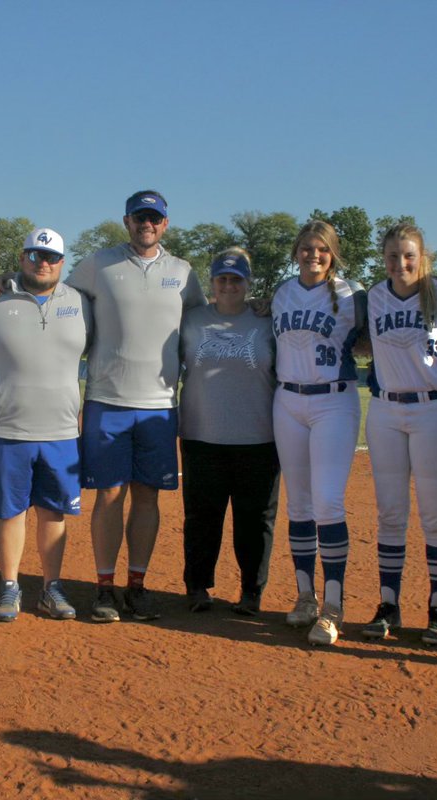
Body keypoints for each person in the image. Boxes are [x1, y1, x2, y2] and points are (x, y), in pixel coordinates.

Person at [66, 190, 206, 622]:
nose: (147, 224)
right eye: (139, 217)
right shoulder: (98, 264)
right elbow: (59, 299)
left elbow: (206, 321)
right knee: (108, 496)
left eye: (154, 218)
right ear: (126, 221)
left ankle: (137, 586)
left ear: (165, 224)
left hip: (160, 406)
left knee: (147, 498)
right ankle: (104, 588)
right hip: (108, 401)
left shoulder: (183, 273)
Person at [0, 227, 90, 622]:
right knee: (10, 512)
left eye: (50, 257)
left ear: (62, 263)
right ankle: (9, 585)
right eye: (35, 255)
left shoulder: (81, 303)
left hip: (63, 431)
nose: (42, 263)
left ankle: (52, 587)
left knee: (54, 513)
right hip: (7, 429)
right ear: (22, 257)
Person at [362, 223, 437, 645]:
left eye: (408, 256)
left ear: (424, 257)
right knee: (389, 514)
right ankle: (389, 605)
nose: (400, 263)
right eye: (391, 256)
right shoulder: (371, 296)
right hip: (385, 410)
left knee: (435, 516)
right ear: (382, 259)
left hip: (434, 409)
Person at [270, 222, 367, 645]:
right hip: (287, 399)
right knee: (300, 503)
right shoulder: (281, 293)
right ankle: (305, 596)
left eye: (322, 249)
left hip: (333, 399)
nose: (314, 255)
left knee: (328, 501)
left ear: (333, 254)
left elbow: (374, 338)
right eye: (308, 248)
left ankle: (333, 604)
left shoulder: (352, 295)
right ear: (297, 252)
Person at [179, 249, 279, 617]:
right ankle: (197, 586)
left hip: (259, 437)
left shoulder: (267, 320)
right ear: (212, 283)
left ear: (248, 283)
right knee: (201, 517)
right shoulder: (191, 320)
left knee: (255, 521)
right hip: (201, 435)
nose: (228, 285)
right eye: (222, 279)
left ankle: (251, 592)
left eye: (236, 279)